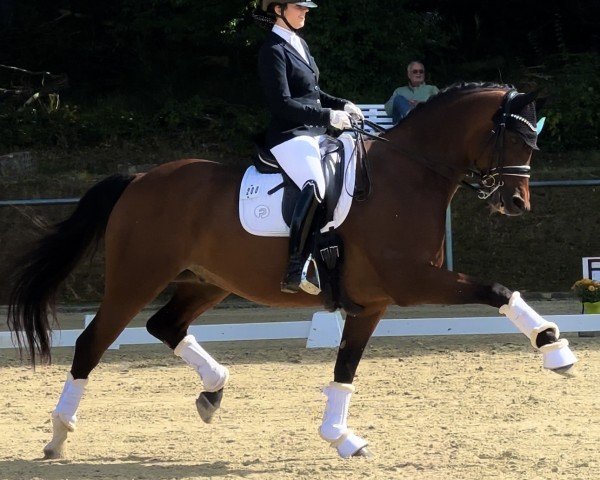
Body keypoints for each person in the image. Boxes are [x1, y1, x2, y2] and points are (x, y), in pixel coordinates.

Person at [255, 0, 364, 294]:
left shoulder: (298, 43)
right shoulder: (272, 50)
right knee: (314, 184)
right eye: (299, 7)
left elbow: (313, 94)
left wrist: (342, 104)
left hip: (313, 133)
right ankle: (295, 267)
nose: (305, 12)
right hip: (289, 135)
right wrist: (328, 116)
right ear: (278, 10)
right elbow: (283, 104)